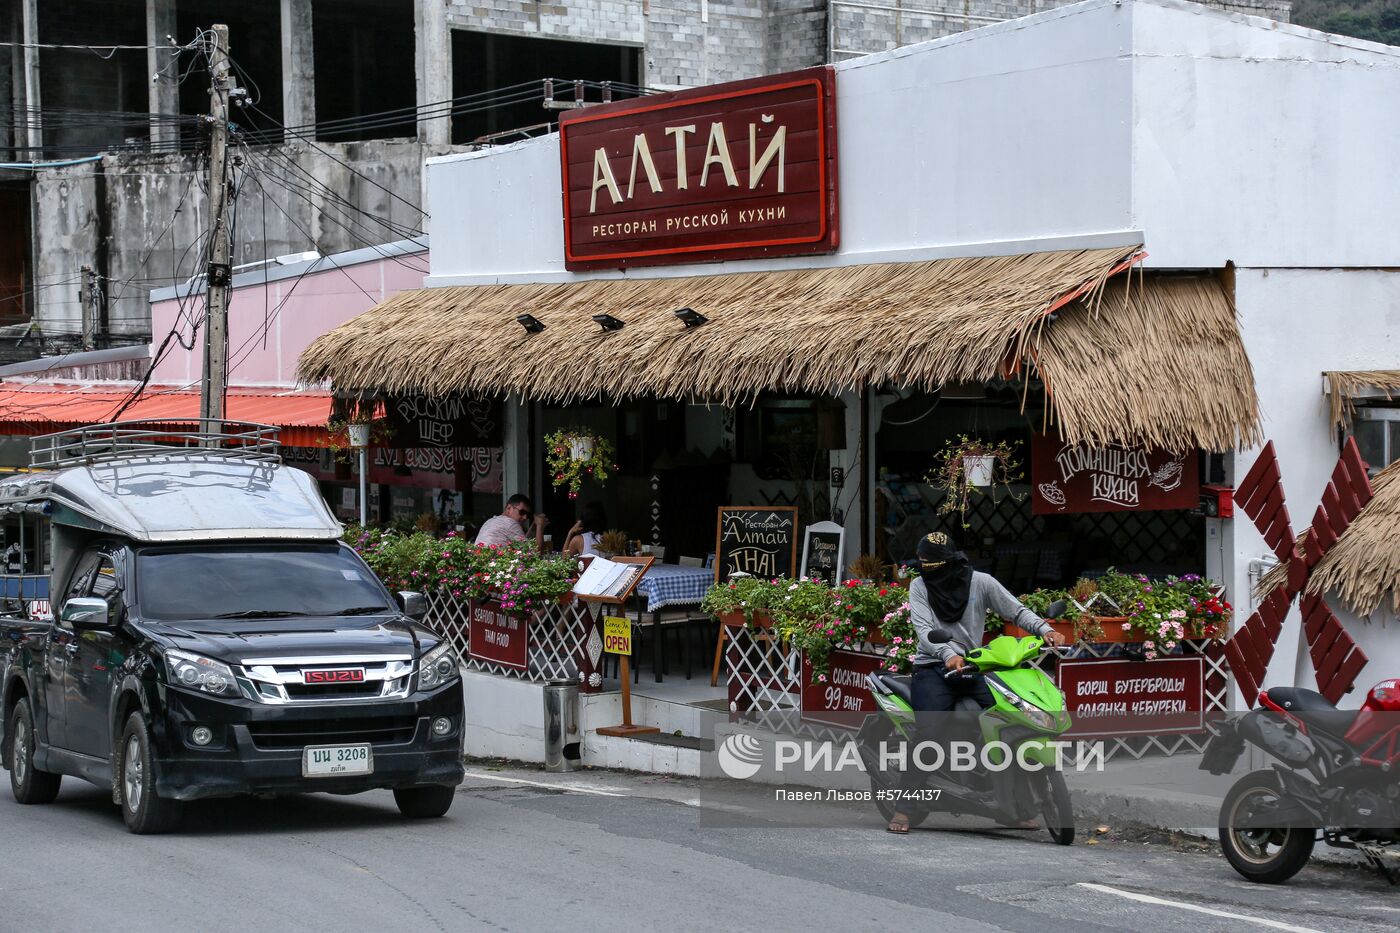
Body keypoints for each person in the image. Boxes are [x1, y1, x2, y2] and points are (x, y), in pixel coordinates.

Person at [887, 530, 1066, 834]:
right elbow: (923, 629)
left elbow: (1015, 610)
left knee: (1012, 719)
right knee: (930, 733)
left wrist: (1045, 629)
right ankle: (904, 808)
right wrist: (947, 655)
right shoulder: (919, 586)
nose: (924, 568)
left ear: (949, 560)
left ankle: (1010, 807)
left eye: (929, 562)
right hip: (933, 668)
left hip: (974, 665)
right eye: (922, 562)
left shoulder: (980, 582)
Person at [474, 494, 548, 550]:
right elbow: (534, 552)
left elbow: (522, 544)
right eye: (522, 512)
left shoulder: (491, 521)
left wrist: (533, 527)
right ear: (509, 508)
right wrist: (540, 526)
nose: (525, 517)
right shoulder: (511, 523)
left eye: (527, 514)